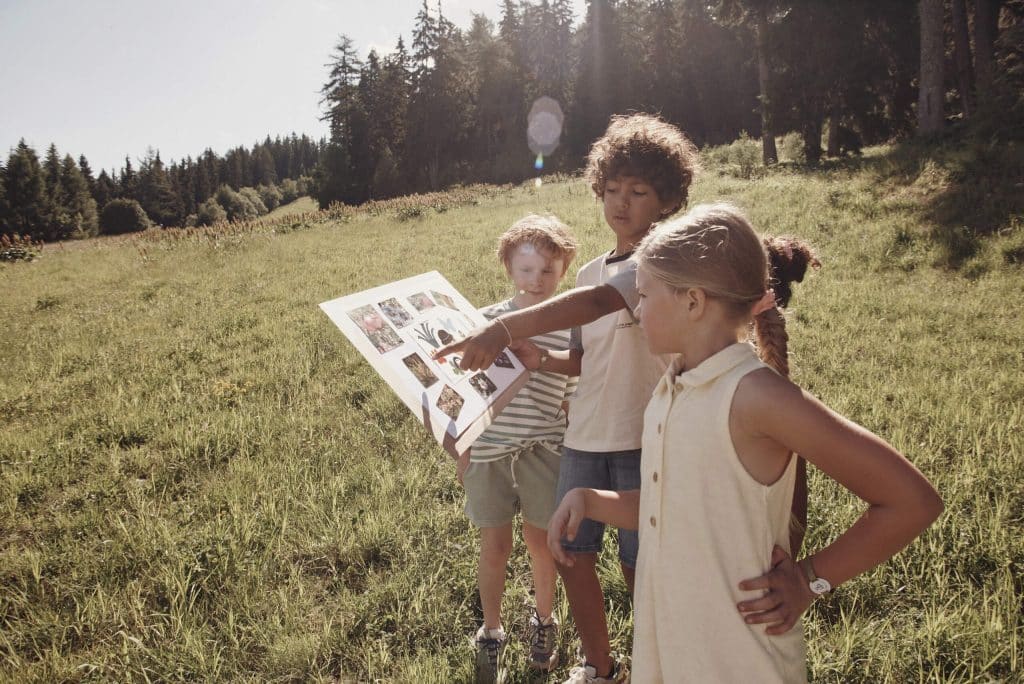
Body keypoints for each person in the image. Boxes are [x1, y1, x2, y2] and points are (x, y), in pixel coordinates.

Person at [546, 203, 943, 682]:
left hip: (738, 657)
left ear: (693, 302)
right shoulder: (672, 388)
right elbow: (675, 506)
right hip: (672, 646)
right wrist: (589, 500)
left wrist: (807, 578)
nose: (636, 309)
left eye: (645, 296)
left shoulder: (755, 395)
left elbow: (912, 500)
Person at [439, 113, 700, 683]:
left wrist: (503, 330)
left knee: (638, 566)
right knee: (571, 555)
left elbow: (601, 305)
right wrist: (543, 360)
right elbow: (584, 356)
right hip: (582, 437)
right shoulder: (586, 271)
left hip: (638, 439)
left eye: (638, 191)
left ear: (667, 198)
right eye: (611, 190)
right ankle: (598, 666)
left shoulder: (660, 262)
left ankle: (658, 664)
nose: (621, 204)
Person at [459, 214, 579, 682]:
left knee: (540, 543)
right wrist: (462, 452)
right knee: (495, 545)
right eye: (526, 270)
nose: (537, 281)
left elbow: (569, 398)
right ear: (508, 268)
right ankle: (491, 631)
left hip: (544, 450)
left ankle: (543, 622)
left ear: (564, 271)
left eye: (548, 271)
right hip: (489, 454)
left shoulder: (571, 328)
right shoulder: (487, 322)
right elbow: (463, 395)